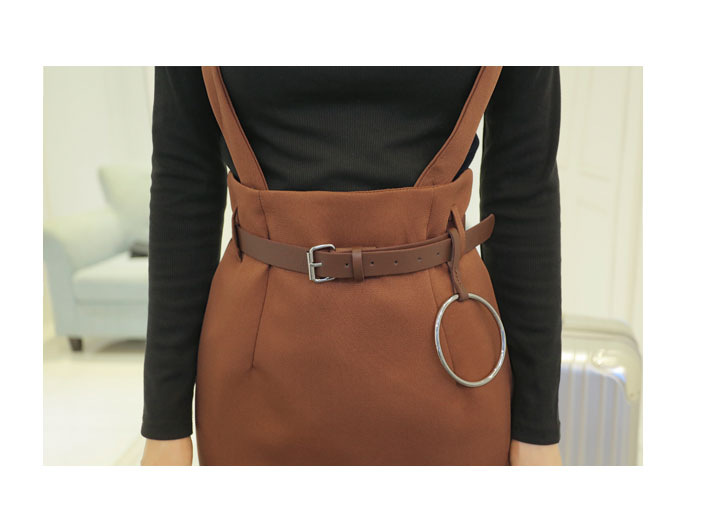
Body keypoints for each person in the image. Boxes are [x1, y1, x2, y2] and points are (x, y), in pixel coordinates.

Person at [140, 66, 563, 466]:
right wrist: (165, 423)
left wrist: (537, 426)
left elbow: (524, 188)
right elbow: (184, 180)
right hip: (254, 379)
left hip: (450, 375)